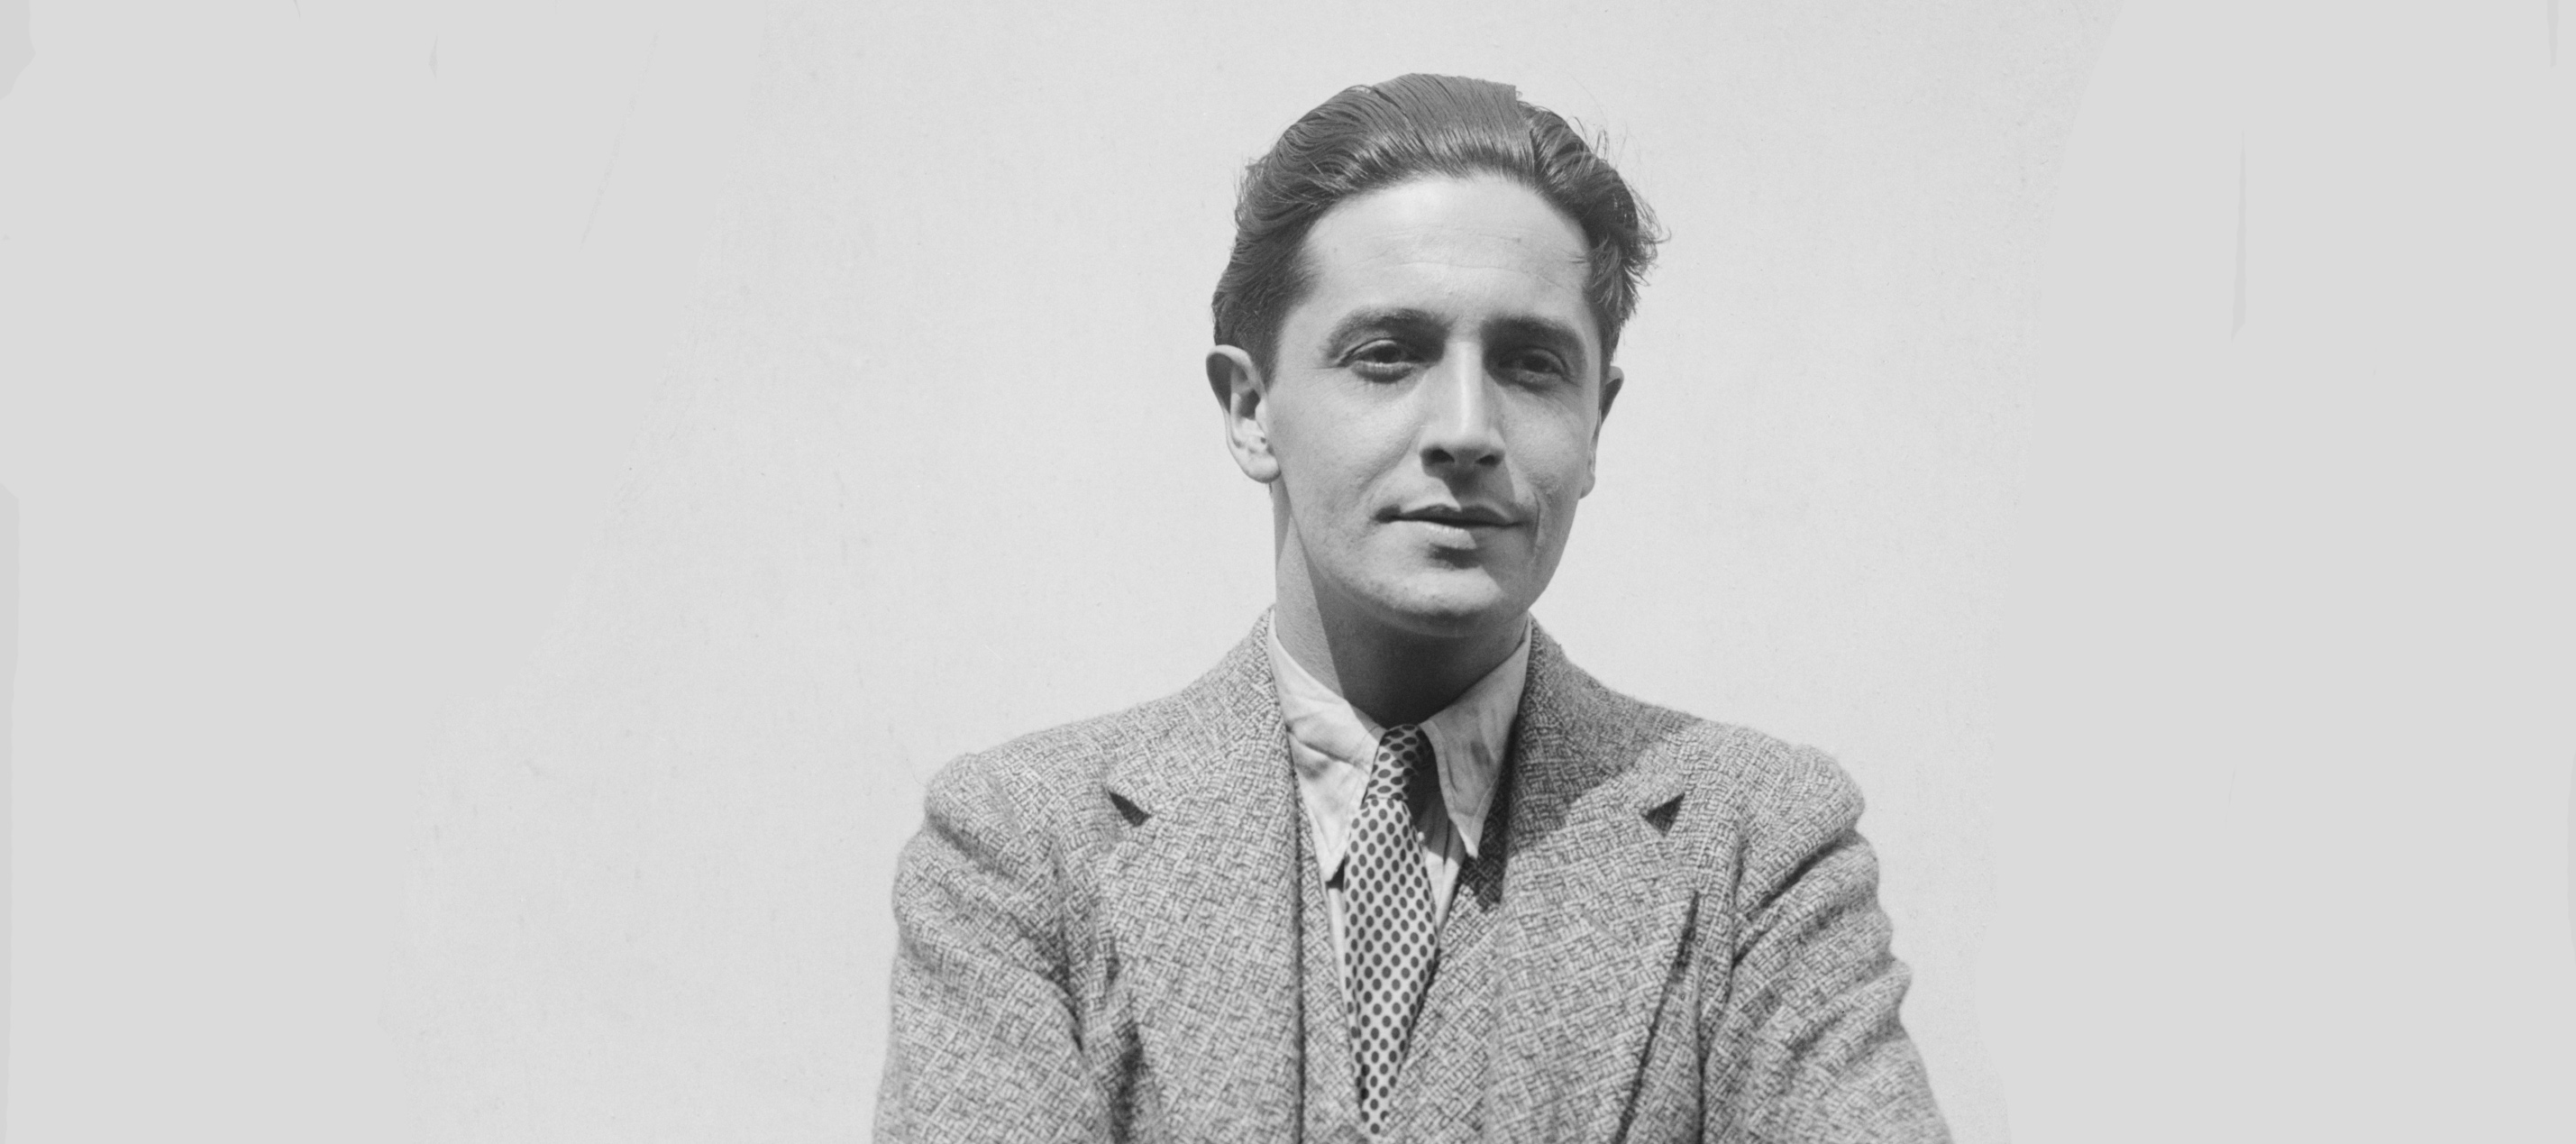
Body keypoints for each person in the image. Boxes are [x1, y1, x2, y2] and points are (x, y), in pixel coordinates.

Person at [877, 73, 1948, 1143]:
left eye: (1531, 367)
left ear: (1594, 424)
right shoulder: (1026, 853)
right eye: (1387, 356)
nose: (1467, 429)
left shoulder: (1753, 847)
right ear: (1250, 410)